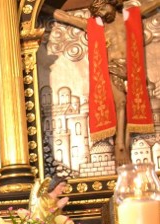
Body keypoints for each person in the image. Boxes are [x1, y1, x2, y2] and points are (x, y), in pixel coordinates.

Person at [54, 0, 160, 165]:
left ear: (113, 3)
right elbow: (60, 15)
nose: (102, 13)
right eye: (99, 12)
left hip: (132, 68)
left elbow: (153, 3)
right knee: (121, 103)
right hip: (112, 68)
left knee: (132, 106)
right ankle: (119, 145)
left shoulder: (131, 16)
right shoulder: (97, 26)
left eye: (103, 8)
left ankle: (125, 143)